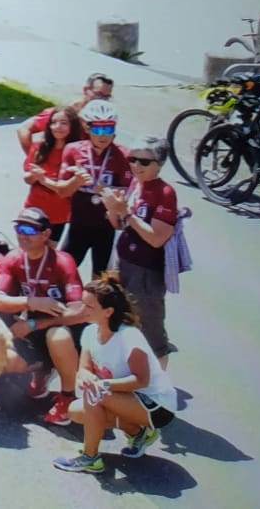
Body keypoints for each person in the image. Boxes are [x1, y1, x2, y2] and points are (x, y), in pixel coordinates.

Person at [53, 273, 178, 474]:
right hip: (125, 398)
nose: (82, 310)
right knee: (76, 410)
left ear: (108, 312)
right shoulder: (90, 332)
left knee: (95, 395)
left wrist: (103, 385)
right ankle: (138, 433)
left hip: (158, 406)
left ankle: (90, 458)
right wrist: (86, 378)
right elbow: (83, 368)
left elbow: (141, 380)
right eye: (82, 304)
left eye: (89, 307)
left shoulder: (129, 337)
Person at [0, 206, 88, 426]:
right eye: (19, 229)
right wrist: (31, 302)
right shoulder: (13, 259)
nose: (23, 235)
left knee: (57, 336)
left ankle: (68, 396)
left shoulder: (63, 261)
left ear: (46, 234)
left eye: (30, 230)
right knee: (7, 361)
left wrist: (36, 323)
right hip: (32, 328)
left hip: (65, 330)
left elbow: (79, 312)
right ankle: (42, 371)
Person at [103, 138, 178, 366]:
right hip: (122, 263)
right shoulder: (135, 184)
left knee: (151, 333)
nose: (136, 165)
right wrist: (113, 209)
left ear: (159, 164)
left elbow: (156, 238)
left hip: (145, 273)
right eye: (132, 159)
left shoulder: (165, 193)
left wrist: (126, 213)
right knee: (119, 320)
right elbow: (119, 224)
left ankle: (159, 381)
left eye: (144, 161)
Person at [62, 99, 131, 278]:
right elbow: (62, 192)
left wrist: (109, 191)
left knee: (101, 281)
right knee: (62, 273)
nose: (103, 135)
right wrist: (76, 181)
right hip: (78, 225)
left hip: (106, 228)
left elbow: (129, 195)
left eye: (108, 129)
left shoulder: (124, 155)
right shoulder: (72, 150)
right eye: (98, 129)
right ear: (87, 128)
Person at [22, 105, 86, 243]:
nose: (58, 127)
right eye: (54, 122)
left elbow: (67, 190)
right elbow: (27, 178)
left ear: (73, 126)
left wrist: (43, 179)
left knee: (49, 251)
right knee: (27, 245)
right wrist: (33, 176)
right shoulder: (39, 147)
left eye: (63, 123)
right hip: (33, 209)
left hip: (58, 214)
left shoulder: (78, 152)